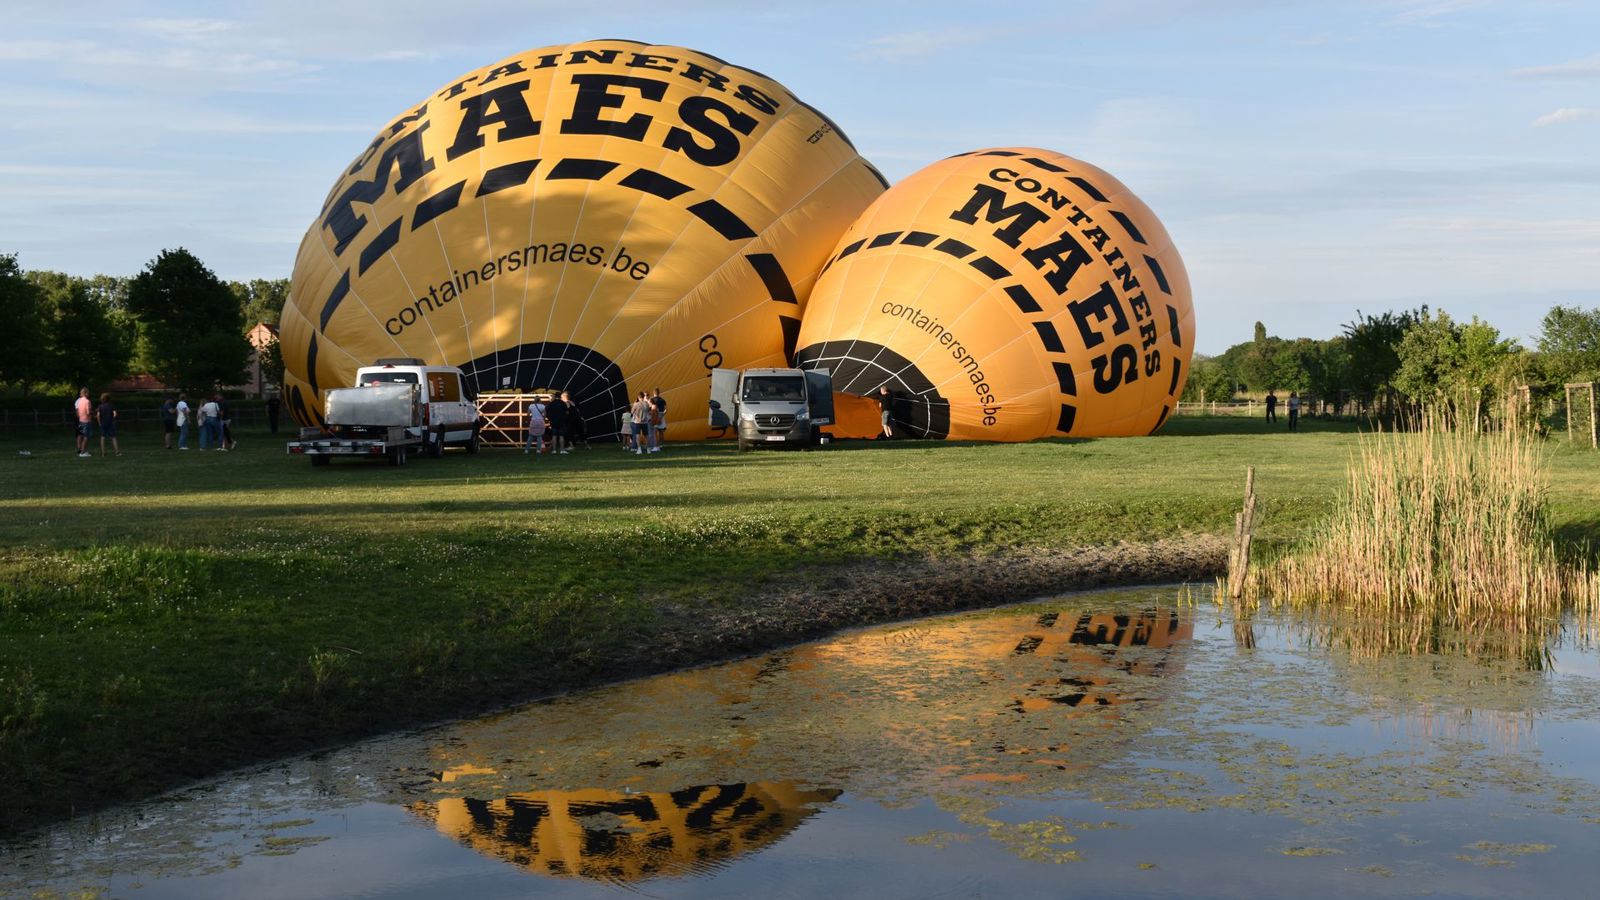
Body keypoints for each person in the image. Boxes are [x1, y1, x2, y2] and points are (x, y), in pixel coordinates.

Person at [97, 392, 120, 456]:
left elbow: (98, 415)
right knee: (113, 437)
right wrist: (113, 419)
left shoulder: (100, 406)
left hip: (103, 423)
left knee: (102, 437)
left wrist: (99, 423)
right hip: (110, 423)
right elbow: (115, 414)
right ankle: (117, 452)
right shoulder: (111, 406)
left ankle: (103, 453)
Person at [74, 387, 92, 458]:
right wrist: (93, 414)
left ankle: (83, 450)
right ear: (86, 393)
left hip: (80, 420)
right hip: (87, 421)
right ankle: (82, 452)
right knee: (86, 437)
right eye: (88, 393)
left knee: (81, 435)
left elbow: (78, 411)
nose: (88, 394)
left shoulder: (79, 401)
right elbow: (88, 412)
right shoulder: (87, 401)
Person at [649, 388, 667, 453]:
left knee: (655, 432)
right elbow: (666, 409)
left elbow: (650, 409)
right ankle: (661, 444)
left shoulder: (652, 400)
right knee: (661, 431)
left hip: (655, 416)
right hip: (662, 415)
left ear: (653, 393)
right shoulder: (663, 400)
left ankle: (656, 445)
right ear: (659, 393)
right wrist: (662, 415)